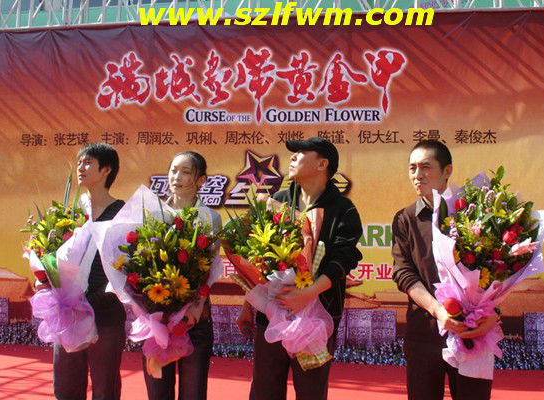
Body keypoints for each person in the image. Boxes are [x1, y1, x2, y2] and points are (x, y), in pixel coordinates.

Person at [236, 137, 363, 400]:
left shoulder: (343, 209)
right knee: (264, 390)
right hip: (271, 312)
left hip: (317, 317)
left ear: (322, 164)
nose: (292, 157)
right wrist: (248, 306)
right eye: (293, 153)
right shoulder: (277, 201)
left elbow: (343, 260)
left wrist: (307, 294)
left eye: (301, 153)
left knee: (310, 392)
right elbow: (257, 261)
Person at [391, 140, 499, 400]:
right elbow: (404, 273)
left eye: (426, 167)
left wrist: (493, 313)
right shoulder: (405, 219)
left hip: (473, 331)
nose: (418, 175)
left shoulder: (473, 216)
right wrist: (438, 311)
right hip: (424, 334)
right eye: (412, 168)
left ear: (447, 170)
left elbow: (497, 270)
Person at [143, 151, 221, 400]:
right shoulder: (153, 214)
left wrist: (196, 306)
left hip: (194, 318)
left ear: (201, 180)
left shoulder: (210, 218)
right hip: (158, 317)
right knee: (158, 392)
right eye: (173, 170)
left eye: (185, 172)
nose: (176, 177)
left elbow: (209, 268)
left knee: (193, 392)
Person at [52, 142, 126, 400]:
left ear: (106, 169)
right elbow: (53, 256)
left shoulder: (122, 214)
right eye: (79, 163)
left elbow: (124, 267)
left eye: (88, 163)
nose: (81, 168)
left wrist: (92, 300)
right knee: (66, 386)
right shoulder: (72, 213)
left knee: (104, 387)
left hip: (105, 311)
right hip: (69, 312)